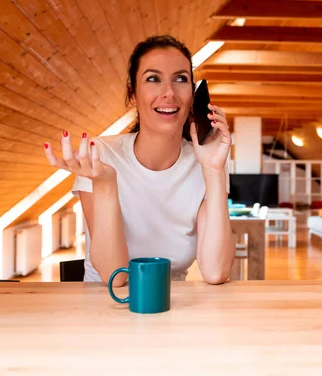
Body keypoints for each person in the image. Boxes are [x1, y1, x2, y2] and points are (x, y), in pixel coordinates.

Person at [43, 35, 235, 286]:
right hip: (103, 308)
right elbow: (116, 277)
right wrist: (106, 184)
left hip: (172, 305)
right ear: (132, 94)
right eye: (153, 79)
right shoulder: (100, 155)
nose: (169, 92)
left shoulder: (207, 162)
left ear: (192, 95)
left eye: (180, 79)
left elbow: (216, 272)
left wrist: (214, 171)